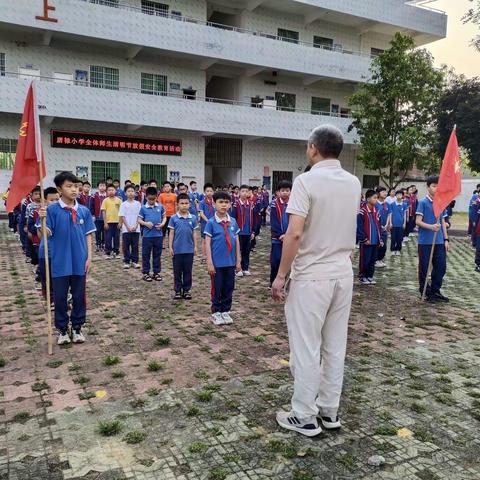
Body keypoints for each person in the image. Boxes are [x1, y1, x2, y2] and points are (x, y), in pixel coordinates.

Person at [272, 125, 361, 437]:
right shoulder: (353, 183)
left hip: (311, 276)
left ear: (313, 148)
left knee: (307, 347)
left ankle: (304, 415)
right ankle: (329, 410)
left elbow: (295, 232)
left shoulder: (305, 181)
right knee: (335, 346)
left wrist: (281, 275)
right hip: (342, 273)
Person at [38, 172, 95, 345]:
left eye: (76, 186)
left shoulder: (83, 210)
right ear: (59, 189)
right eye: (69, 186)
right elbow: (45, 235)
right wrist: (42, 220)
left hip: (79, 261)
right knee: (60, 297)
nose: (74, 190)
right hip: (59, 262)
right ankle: (62, 329)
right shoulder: (52, 210)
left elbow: (88, 236)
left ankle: (77, 327)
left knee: (79, 296)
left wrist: (89, 258)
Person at [204, 191, 241, 326]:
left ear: (230, 204)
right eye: (220, 202)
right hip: (217, 263)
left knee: (229, 286)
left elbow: (236, 241)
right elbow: (207, 243)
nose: (224, 205)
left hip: (230, 262)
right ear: (214, 204)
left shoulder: (233, 222)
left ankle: (225, 310)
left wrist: (238, 260)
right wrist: (209, 262)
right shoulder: (211, 223)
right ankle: (216, 312)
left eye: (226, 202)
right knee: (217, 287)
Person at [416, 176, 450, 302]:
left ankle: (436, 290)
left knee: (441, 266)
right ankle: (425, 291)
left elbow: (442, 221)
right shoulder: (423, 202)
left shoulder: (440, 202)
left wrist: (446, 239)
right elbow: (418, 221)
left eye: (438, 186)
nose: (436, 188)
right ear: (428, 187)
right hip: (425, 241)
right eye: (433, 186)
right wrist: (431, 227)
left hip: (439, 241)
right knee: (424, 268)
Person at [168, 193, 198, 300]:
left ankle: (186, 290)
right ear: (177, 205)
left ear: (189, 204)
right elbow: (171, 233)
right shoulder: (173, 218)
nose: (184, 205)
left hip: (189, 250)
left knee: (188, 271)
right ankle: (177, 290)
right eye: (182, 203)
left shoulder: (193, 218)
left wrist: (195, 246)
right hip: (177, 250)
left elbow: (194, 233)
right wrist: (170, 247)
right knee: (177, 271)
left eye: (186, 203)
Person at [36, 187, 59, 305]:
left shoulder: (64, 213)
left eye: (57, 199)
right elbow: (41, 236)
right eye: (52, 200)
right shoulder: (43, 215)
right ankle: (51, 299)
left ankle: (60, 299)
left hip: (60, 253)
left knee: (60, 279)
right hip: (46, 252)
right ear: (45, 201)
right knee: (47, 278)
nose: (55, 202)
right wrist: (42, 220)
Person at [138, 187, 166, 282]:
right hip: (147, 236)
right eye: (149, 199)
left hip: (158, 235)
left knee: (157, 254)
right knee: (146, 254)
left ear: (156, 197)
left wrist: (162, 224)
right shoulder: (143, 208)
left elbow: (164, 217)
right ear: (146, 197)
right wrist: (146, 224)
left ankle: (156, 272)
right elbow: (139, 220)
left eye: (153, 199)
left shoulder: (160, 207)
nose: (151, 201)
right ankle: (145, 272)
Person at [357, 189, 382, 285]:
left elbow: (379, 226)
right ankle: (362, 276)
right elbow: (359, 227)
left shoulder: (376, 211)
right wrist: (363, 238)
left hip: (375, 241)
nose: (376, 200)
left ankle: (370, 276)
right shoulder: (362, 212)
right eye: (374, 198)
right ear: (368, 199)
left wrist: (380, 239)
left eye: (377, 198)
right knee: (365, 259)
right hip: (366, 241)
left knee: (373, 259)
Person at [269, 180, 291, 287]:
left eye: (287, 190)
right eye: (283, 190)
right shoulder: (274, 203)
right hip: (277, 238)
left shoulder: (294, 203)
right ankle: (273, 281)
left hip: (290, 237)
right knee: (276, 260)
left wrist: (288, 235)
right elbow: (274, 221)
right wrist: (280, 234)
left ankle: (285, 282)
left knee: (288, 260)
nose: (285, 193)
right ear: (278, 192)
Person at [232, 185, 254, 277]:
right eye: (243, 191)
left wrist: (252, 231)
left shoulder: (251, 204)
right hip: (238, 232)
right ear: (239, 193)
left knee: (246, 250)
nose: (245, 193)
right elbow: (233, 218)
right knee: (238, 251)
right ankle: (237, 268)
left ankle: (245, 268)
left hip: (248, 232)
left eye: (246, 191)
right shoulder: (236, 204)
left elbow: (253, 219)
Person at [119, 185, 141, 269]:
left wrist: (136, 226)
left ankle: (135, 261)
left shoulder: (138, 203)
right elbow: (122, 216)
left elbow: (139, 216)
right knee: (126, 246)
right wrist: (127, 227)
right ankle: (127, 261)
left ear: (135, 193)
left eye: (132, 191)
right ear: (125, 193)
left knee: (135, 246)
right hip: (126, 229)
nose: (131, 192)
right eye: (128, 191)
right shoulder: (123, 204)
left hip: (136, 228)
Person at [101, 185, 122, 259]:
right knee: (108, 238)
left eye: (112, 189)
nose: (111, 191)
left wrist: (120, 222)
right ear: (107, 192)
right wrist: (105, 223)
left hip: (117, 222)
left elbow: (121, 212)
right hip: (108, 223)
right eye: (109, 190)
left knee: (116, 238)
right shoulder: (105, 200)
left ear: (115, 191)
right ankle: (108, 252)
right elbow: (103, 212)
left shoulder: (119, 200)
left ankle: (116, 252)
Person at [199, 183, 216, 261]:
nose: (209, 192)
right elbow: (201, 213)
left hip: (214, 223)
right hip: (205, 224)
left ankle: (212, 254)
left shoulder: (215, 202)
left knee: (213, 240)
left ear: (213, 192)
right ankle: (204, 255)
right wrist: (208, 220)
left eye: (211, 191)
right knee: (204, 240)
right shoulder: (202, 202)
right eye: (207, 191)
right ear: (204, 192)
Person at [375, 186, 390, 268]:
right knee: (377, 244)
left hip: (384, 228)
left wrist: (387, 224)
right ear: (378, 193)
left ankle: (380, 259)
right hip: (376, 228)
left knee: (384, 245)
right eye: (383, 191)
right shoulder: (375, 204)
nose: (385, 193)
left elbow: (389, 214)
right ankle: (375, 260)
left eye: (386, 191)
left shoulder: (386, 204)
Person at [389, 190, 407, 256]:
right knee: (393, 237)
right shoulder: (392, 204)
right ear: (395, 196)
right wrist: (390, 222)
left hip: (401, 224)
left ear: (402, 196)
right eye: (398, 194)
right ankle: (393, 250)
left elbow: (405, 214)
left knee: (400, 238)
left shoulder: (404, 204)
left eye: (400, 194)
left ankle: (398, 249)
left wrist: (404, 223)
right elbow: (390, 214)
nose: (399, 196)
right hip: (393, 224)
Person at [93, 181, 107, 252]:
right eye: (101, 185)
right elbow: (92, 206)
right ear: (98, 187)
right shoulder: (95, 195)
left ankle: (104, 244)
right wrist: (93, 215)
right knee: (97, 231)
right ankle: (98, 244)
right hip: (97, 217)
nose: (102, 187)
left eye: (104, 185)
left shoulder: (108, 196)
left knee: (105, 232)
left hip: (106, 218)